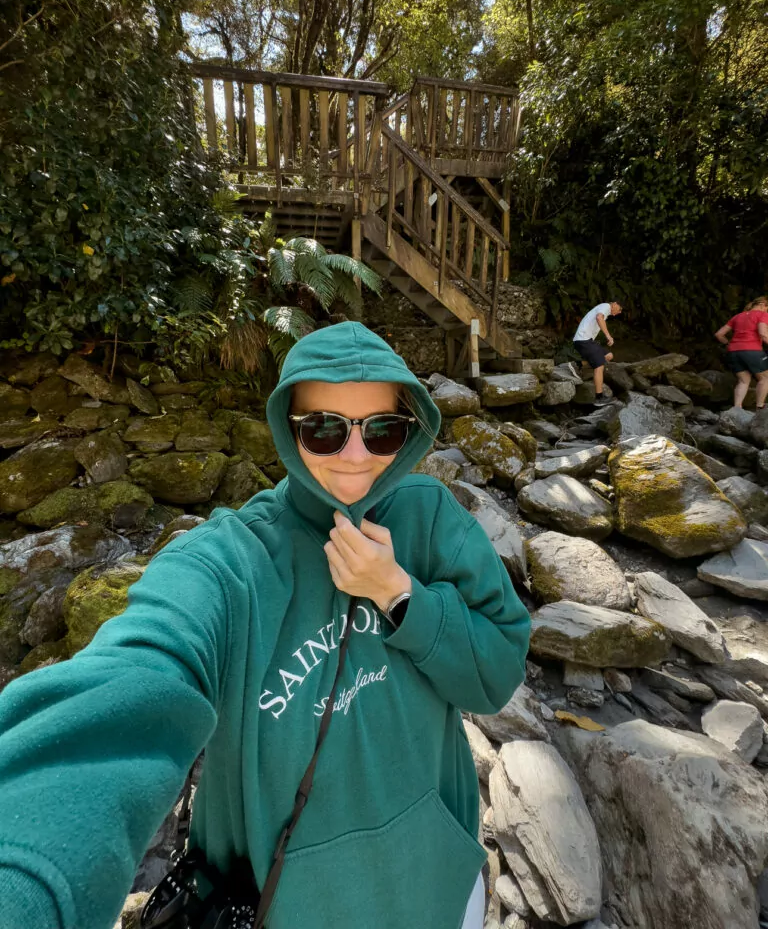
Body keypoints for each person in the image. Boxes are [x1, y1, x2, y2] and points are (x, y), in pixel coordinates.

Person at [0, 321, 530, 929]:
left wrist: (400, 594)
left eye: (381, 431)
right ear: (288, 428)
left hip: (439, 887)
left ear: (408, 431)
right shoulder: (232, 561)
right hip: (281, 906)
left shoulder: (431, 519)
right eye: (325, 430)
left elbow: (497, 674)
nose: (356, 457)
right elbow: (133, 679)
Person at [715, 297, 768, 409]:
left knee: (743, 380)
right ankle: (760, 407)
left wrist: (727, 343)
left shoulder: (737, 316)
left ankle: (737, 408)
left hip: (733, 352)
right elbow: (763, 333)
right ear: (763, 304)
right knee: (765, 378)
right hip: (752, 351)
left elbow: (719, 334)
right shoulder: (762, 315)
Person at [568, 301, 622, 405]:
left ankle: (579, 365)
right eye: (619, 310)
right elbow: (599, 318)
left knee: (608, 356)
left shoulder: (604, 309)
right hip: (583, 340)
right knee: (599, 366)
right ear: (615, 303)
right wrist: (608, 336)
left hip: (587, 341)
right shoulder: (606, 306)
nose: (618, 313)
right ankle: (599, 397)